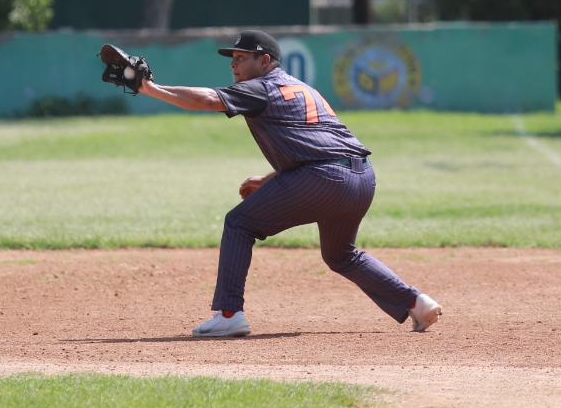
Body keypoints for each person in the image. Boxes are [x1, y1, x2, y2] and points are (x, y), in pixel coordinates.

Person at [135, 29, 443, 338]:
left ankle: (229, 314)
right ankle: (416, 302)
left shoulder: (261, 88)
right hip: (361, 178)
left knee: (239, 223)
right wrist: (271, 178)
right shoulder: (302, 88)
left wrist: (150, 88)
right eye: (233, 58)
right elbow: (322, 143)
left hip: (325, 178)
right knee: (340, 255)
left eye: (242, 58)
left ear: (265, 60)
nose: (234, 64)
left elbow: (207, 99)